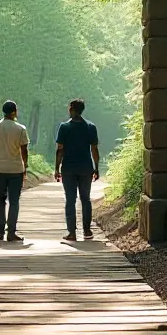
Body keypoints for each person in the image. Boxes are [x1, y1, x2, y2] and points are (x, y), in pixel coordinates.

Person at [54, 98, 99, 242]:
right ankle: (87, 231)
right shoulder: (90, 127)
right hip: (86, 168)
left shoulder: (64, 127)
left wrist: (56, 168)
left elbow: (60, 150)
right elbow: (94, 149)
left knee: (70, 200)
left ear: (71, 109)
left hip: (68, 169)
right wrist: (96, 168)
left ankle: (72, 233)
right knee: (86, 199)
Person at [0, 100, 29, 242]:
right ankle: (11, 232)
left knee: (0, 199)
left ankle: (0, 232)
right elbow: (24, 150)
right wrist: (26, 167)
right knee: (14, 201)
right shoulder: (20, 129)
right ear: (14, 112)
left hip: (0, 168)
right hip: (16, 169)